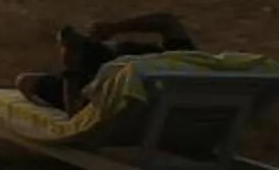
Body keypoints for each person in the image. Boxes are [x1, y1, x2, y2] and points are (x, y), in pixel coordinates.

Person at [16, 12, 196, 112]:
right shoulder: (190, 67)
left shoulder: (108, 96)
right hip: (180, 98)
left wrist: (70, 67)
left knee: (27, 81)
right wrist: (113, 28)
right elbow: (166, 21)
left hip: (122, 94)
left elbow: (75, 114)